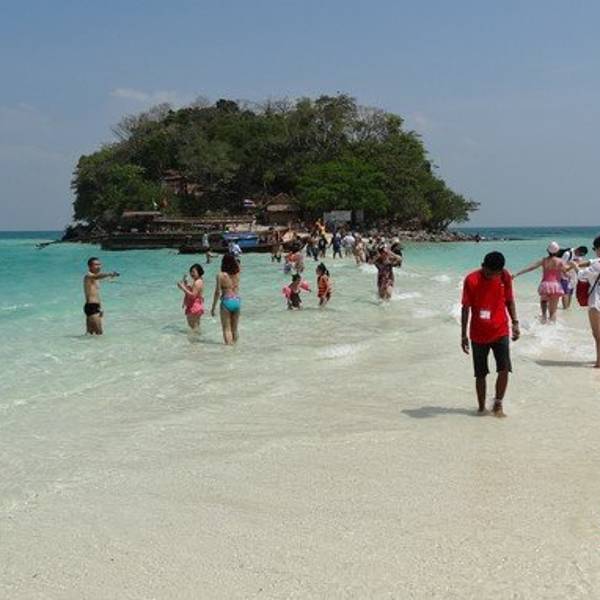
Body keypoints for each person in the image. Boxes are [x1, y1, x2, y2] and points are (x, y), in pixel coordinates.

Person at [461, 251, 520, 416]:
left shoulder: (505, 276)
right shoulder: (471, 279)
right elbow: (465, 308)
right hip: (478, 334)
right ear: (482, 266)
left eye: (495, 274)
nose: (491, 276)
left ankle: (498, 404)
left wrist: (515, 323)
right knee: (480, 374)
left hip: (501, 330)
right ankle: (481, 408)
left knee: (504, 368)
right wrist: (463, 335)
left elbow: (509, 300)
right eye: (488, 273)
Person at [513, 241, 567, 323]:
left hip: (545, 285)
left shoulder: (544, 260)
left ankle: (544, 318)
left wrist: (517, 274)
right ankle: (552, 327)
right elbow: (566, 272)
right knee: (553, 311)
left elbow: (531, 267)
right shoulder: (560, 261)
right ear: (558, 251)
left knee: (543, 303)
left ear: (547, 251)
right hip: (556, 286)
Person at [573, 236, 600, 368]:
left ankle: (599, 362)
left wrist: (574, 266)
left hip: (597, 301)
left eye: (595, 249)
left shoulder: (596, 264)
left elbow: (581, 276)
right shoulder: (595, 262)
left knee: (597, 334)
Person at [83, 257, 119, 335]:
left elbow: (96, 294)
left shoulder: (96, 279)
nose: (99, 266)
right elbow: (96, 276)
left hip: (95, 307)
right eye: (96, 265)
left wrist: (100, 308)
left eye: (99, 264)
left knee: (90, 334)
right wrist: (109, 274)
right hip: (91, 307)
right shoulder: (88, 276)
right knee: (99, 333)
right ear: (90, 266)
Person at [211, 254, 241, 345]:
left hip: (226, 301)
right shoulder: (237, 274)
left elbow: (217, 292)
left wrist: (213, 307)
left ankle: (229, 350)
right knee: (234, 329)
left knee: (227, 329)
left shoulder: (220, 275)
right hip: (237, 300)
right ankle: (235, 347)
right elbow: (238, 266)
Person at [177, 263, 205, 332]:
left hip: (194, 307)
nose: (191, 274)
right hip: (197, 306)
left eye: (193, 272)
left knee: (193, 327)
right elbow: (192, 290)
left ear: (199, 272)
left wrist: (182, 288)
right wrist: (185, 282)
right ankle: (198, 338)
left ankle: (193, 339)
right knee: (196, 327)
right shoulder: (199, 281)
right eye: (191, 272)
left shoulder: (197, 282)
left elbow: (193, 295)